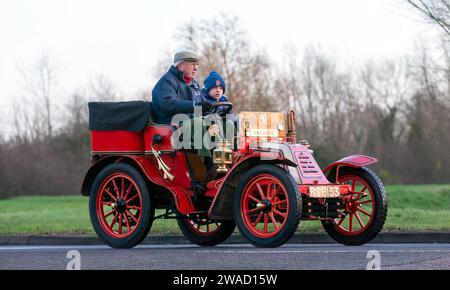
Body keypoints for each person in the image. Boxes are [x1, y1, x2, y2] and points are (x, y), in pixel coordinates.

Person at [151, 50, 213, 124]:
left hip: (190, 124)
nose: (195, 68)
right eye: (192, 64)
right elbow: (168, 104)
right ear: (180, 66)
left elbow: (203, 104)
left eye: (197, 65)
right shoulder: (167, 81)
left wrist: (212, 109)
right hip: (171, 126)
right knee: (199, 123)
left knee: (223, 122)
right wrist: (195, 105)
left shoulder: (194, 84)